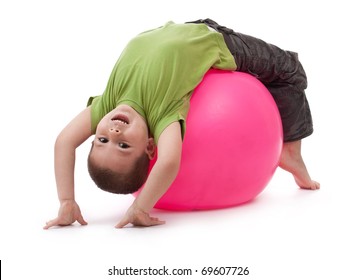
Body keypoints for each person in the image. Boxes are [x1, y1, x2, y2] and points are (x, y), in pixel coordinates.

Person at [44, 19, 320, 230]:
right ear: (150, 147)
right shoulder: (163, 115)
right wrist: (141, 207)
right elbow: (170, 161)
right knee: (290, 70)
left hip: (187, 27)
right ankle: (290, 152)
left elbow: (64, 142)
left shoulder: (106, 106)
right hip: (217, 42)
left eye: (102, 140)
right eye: (124, 145)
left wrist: (66, 201)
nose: (114, 132)